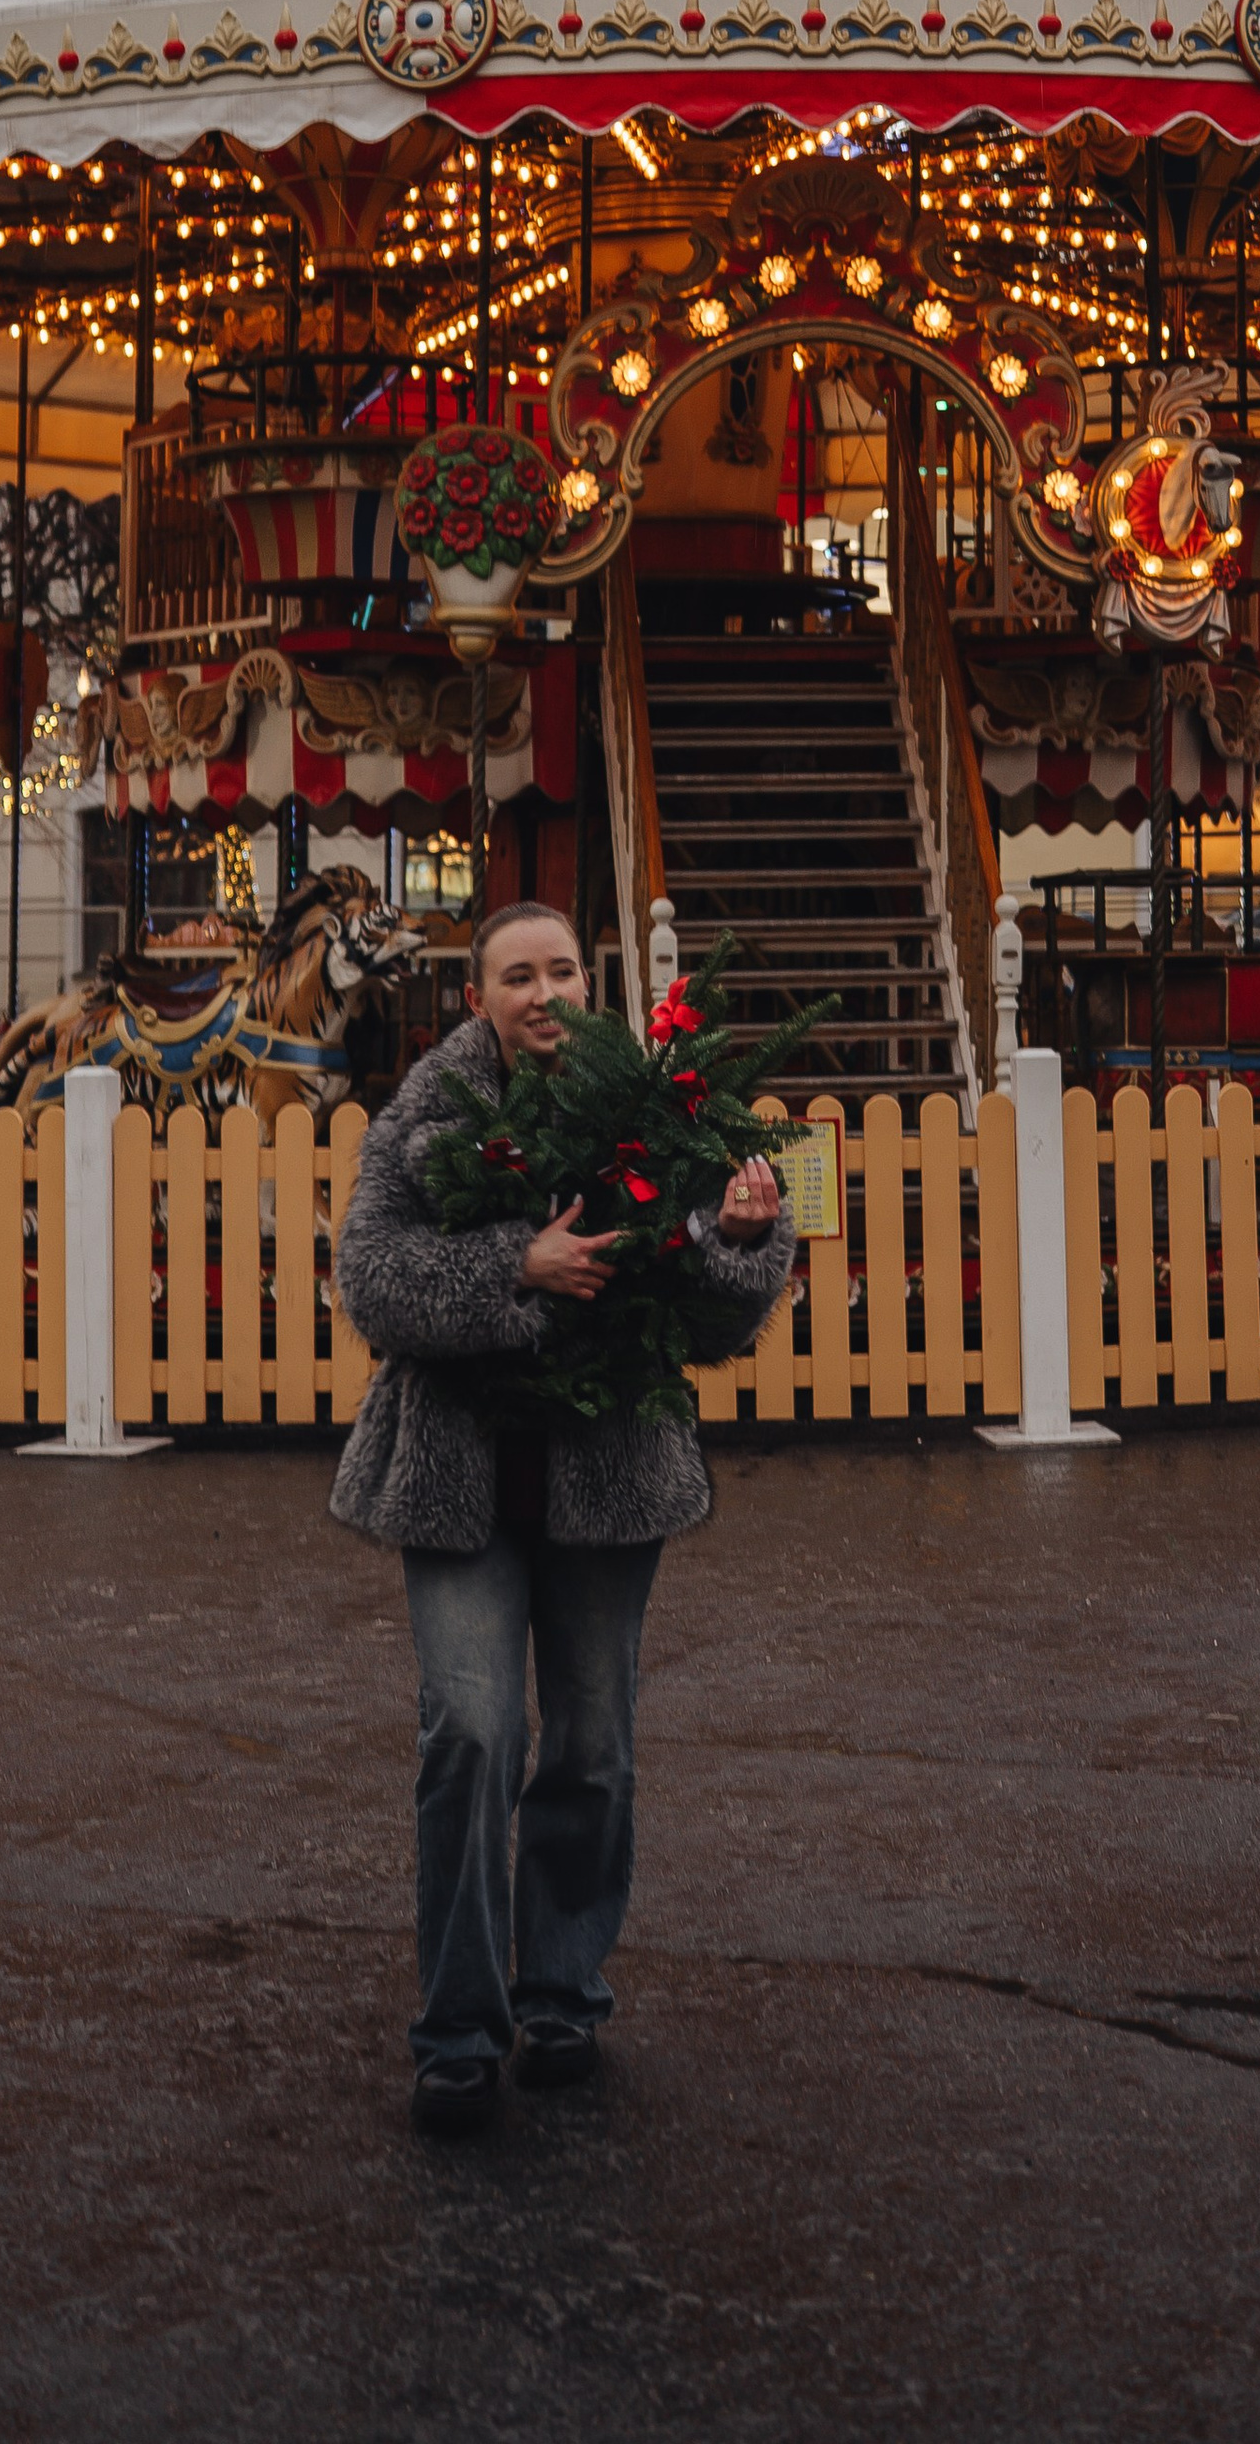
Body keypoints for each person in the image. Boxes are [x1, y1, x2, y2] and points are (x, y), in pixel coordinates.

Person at [330, 902, 794, 2136]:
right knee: (470, 1731)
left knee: (591, 1743)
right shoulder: (426, 1115)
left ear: (590, 984)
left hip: (607, 1473)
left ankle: (561, 1997)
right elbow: (368, 1276)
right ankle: (458, 2032)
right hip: (458, 1480)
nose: (543, 994)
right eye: (516, 976)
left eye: (562, 972)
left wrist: (735, 1240)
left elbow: (713, 1308)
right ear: (477, 996)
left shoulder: (651, 1109)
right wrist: (511, 1267)